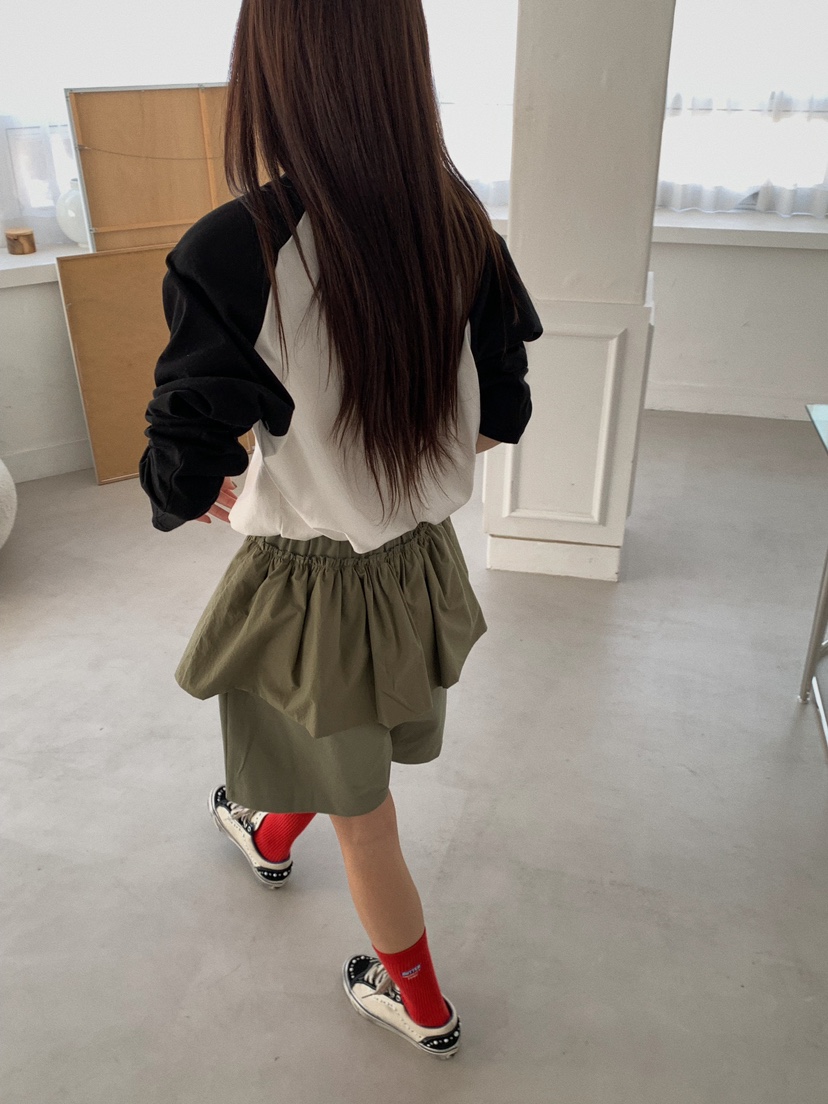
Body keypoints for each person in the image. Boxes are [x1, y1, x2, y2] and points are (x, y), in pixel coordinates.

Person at [139, 0, 542, 1060]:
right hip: (421, 565)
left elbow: (182, 463)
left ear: (275, 69)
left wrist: (228, 489)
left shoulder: (237, 249)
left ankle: (422, 1007)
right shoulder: (461, 220)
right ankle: (268, 829)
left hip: (312, 585)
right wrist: (390, 484)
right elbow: (503, 412)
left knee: (363, 811)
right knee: (337, 744)